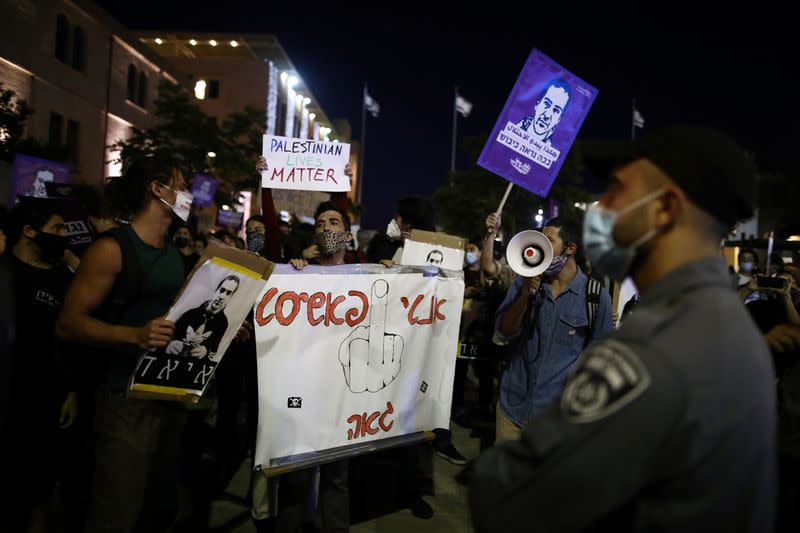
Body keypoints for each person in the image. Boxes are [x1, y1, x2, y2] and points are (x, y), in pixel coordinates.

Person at [470, 126, 776, 532]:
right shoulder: (719, 321)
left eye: (617, 191)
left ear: (664, 208)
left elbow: (509, 496)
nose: (603, 209)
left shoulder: (657, 345)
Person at [56, 158, 191, 532]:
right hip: (123, 399)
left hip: (166, 397)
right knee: (118, 507)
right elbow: (69, 323)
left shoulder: (174, 257)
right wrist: (133, 335)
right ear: (157, 190)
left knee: (156, 506)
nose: (187, 195)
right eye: (180, 185)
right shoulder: (112, 249)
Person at [272, 200, 354, 532]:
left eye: (334, 222)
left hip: (343, 393)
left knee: (337, 476)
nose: (325, 228)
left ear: (347, 236)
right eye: (320, 224)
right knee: (296, 472)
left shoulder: (366, 273)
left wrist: (391, 274)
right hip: (302, 388)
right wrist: (290, 274)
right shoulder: (299, 273)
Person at [493, 215, 613, 441]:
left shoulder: (596, 297)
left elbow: (599, 362)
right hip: (512, 409)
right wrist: (524, 296)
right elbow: (504, 332)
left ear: (570, 248)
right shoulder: (525, 280)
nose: (540, 246)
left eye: (548, 241)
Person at [3, 198, 78, 533]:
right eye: (57, 228)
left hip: (47, 399)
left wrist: (71, 390)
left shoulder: (64, 278)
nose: (64, 235)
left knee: (41, 490)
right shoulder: (4, 273)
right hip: (8, 395)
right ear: (29, 231)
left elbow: (72, 341)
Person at [164, 275, 239, 360]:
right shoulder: (190, 312)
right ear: (216, 290)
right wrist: (170, 345)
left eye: (228, 293)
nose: (222, 296)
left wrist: (205, 352)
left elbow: (214, 352)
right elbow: (166, 335)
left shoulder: (223, 323)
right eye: (222, 290)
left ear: (231, 297)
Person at [516, 79, 571, 144]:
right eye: (547, 104)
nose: (547, 115)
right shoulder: (517, 126)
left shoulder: (552, 148)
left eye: (556, 110)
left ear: (558, 120)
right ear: (537, 105)